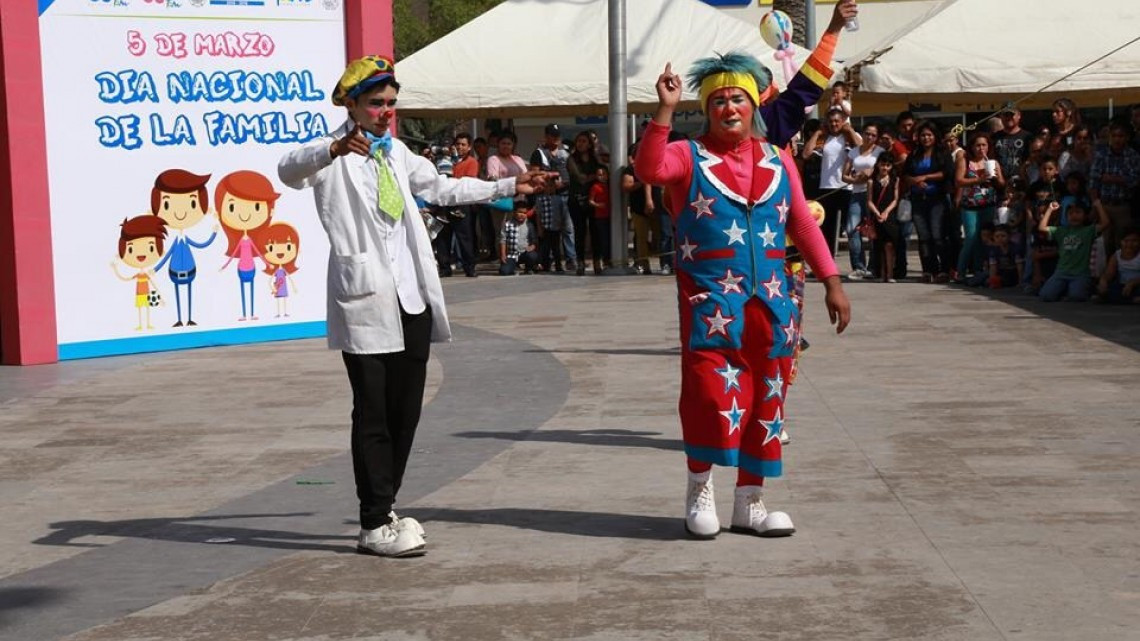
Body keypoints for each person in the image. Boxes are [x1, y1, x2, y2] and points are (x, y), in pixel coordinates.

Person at [277, 55, 544, 558]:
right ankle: (374, 520)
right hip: (365, 297)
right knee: (372, 411)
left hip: (411, 298)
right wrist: (333, 149)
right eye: (376, 103)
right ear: (352, 105)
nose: (385, 112)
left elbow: (443, 187)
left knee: (405, 412)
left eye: (391, 104)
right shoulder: (329, 156)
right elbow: (288, 170)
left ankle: (386, 508)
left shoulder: (396, 152)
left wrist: (509, 186)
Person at [635, 49, 852, 539]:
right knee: (709, 395)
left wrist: (832, 282)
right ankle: (700, 489)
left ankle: (750, 502)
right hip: (711, 305)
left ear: (754, 106)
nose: (729, 108)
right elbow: (649, 169)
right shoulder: (688, 155)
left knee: (767, 399)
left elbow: (802, 222)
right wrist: (665, 109)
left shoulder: (777, 159)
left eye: (738, 99)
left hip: (772, 307)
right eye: (718, 101)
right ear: (707, 109)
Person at [150, 169, 217, 328]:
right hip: (174, 272)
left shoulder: (186, 240)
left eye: (193, 203)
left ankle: (190, 318)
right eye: (167, 204)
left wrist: (214, 232)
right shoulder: (176, 242)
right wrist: (156, 269)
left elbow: (202, 244)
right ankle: (180, 319)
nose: (180, 212)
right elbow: (167, 256)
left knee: (189, 292)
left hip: (190, 270)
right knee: (177, 294)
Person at [802, 107, 861, 257]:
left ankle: (858, 265)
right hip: (826, 187)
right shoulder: (824, 138)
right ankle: (828, 262)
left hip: (846, 187)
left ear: (843, 122)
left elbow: (861, 150)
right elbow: (806, 154)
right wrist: (817, 133)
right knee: (827, 229)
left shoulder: (848, 136)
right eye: (831, 121)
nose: (834, 124)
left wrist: (850, 130)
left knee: (852, 228)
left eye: (837, 121)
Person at [902, 121, 953, 282]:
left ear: (935, 136)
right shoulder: (914, 154)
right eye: (923, 135)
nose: (926, 138)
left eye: (929, 135)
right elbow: (905, 175)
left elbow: (946, 172)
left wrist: (925, 177)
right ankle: (928, 270)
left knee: (938, 235)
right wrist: (915, 181)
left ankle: (944, 270)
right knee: (923, 237)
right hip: (918, 199)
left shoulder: (942, 152)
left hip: (937, 199)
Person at [955, 132, 1005, 283]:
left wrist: (996, 176)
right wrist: (979, 179)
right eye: (977, 145)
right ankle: (960, 271)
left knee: (984, 238)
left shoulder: (992, 162)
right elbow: (959, 181)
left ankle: (978, 269)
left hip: (988, 204)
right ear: (972, 147)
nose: (981, 148)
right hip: (970, 205)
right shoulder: (965, 160)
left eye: (984, 145)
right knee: (971, 238)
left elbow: (1002, 184)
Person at [1036, 199, 1109, 302]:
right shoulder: (1061, 231)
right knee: (1045, 296)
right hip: (1061, 272)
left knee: (1077, 297)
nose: (1074, 216)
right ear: (1066, 217)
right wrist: (1050, 209)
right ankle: (1063, 290)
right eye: (1070, 213)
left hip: (1080, 274)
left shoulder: (1088, 231)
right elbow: (1042, 227)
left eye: (1078, 212)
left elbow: (1106, 223)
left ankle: (1074, 289)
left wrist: (1098, 206)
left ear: (1085, 216)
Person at [1088, 122, 1140, 255]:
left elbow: (1134, 181)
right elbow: (1094, 181)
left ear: (1127, 137)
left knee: (1123, 243)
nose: (1117, 139)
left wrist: (1110, 178)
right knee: (1104, 243)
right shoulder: (1101, 155)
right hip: (1103, 205)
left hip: (1123, 206)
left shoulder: (1133, 156)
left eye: (1120, 136)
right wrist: (1095, 205)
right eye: (1114, 136)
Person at [529, 123, 574, 273]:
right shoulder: (538, 153)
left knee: (568, 229)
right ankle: (547, 261)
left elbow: (571, 172)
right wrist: (548, 180)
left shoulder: (566, 152)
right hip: (546, 196)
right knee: (547, 230)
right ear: (546, 136)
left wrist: (564, 183)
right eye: (552, 135)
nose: (555, 138)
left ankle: (570, 260)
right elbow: (534, 174)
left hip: (565, 194)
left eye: (557, 136)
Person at [109, 215, 167, 331]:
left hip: (146, 294)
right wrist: (115, 269)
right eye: (130, 249)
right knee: (141, 308)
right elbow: (125, 278)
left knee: (147, 308)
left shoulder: (146, 275)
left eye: (151, 248)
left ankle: (148, 323)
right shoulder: (138, 275)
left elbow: (153, 285)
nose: (141, 254)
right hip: (139, 294)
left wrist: (160, 298)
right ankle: (141, 324)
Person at [840, 121, 882, 279]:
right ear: (862, 134)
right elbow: (844, 176)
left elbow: (883, 170)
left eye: (873, 135)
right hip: (856, 193)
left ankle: (873, 267)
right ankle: (859, 266)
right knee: (851, 229)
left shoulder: (880, 152)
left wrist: (870, 174)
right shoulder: (853, 152)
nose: (870, 137)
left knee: (872, 230)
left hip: (873, 194)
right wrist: (855, 180)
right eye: (867, 133)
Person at [567, 131, 601, 275]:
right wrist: (594, 176)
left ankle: (597, 262)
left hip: (593, 200)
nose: (580, 144)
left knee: (596, 231)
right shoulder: (571, 159)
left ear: (589, 144)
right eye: (578, 141)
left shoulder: (595, 159)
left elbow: (603, 172)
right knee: (579, 232)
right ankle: (580, 262)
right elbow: (580, 178)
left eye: (584, 141)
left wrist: (595, 176)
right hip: (576, 200)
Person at [449, 132, 481, 277]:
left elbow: (468, 181)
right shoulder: (447, 160)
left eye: (463, 144)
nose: (460, 147)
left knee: (465, 236)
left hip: (462, 202)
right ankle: (445, 267)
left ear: (469, 147)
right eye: (458, 144)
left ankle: (469, 267)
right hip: (446, 200)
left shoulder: (472, 162)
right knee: (444, 235)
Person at [867, 153, 900, 282]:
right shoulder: (871, 181)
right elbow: (869, 201)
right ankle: (881, 274)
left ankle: (890, 274)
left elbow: (895, 199)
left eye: (888, 165)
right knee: (879, 245)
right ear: (877, 165)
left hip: (890, 215)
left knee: (890, 245)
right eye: (882, 164)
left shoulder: (895, 180)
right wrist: (877, 213)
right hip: (876, 214)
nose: (885, 168)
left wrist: (886, 212)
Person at [1095, 227, 1140, 303]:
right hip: (1122, 285)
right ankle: (1131, 300)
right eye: (1126, 241)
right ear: (1121, 242)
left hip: (1137, 284)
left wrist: (1132, 283)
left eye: (1134, 241)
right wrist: (1103, 280)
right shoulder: (1117, 255)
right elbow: (1109, 273)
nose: (1129, 244)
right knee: (1109, 290)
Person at [499, 202, 540, 275]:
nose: (522, 215)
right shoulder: (507, 224)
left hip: (524, 253)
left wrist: (532, 246)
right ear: (514, 212)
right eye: (520, 212)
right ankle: (513, 267)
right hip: (512, 255)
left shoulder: (529, 225)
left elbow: (534, 240)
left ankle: (529, 268)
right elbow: (503, 240)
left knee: (532, 256)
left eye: (524, 213)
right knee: (504, 271)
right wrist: (503, 255)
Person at [992, 106, 1033, 179]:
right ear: (1001, 116)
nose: (1008, 118)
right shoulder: (994, 137)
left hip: (1021, 180)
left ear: (1019, 115)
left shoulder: (1028, 137)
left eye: (1011, 115)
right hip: (998, 180)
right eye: (1006, 115)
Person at [587, 165, 612, 274]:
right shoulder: (595, 187)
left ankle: (609, 260)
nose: (602, 177)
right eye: (599, 175)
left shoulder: (611, 186)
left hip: (610, 216)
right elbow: (590, 201)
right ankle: (605, 261)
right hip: (600, 217)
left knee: (610, 239)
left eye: (604, 174)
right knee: (603, 240)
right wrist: (598, 205)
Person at [985, 224, 1023, 289]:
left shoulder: (1015, 248)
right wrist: (992, 280)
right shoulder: (993, 250)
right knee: (984, 276)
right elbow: (993, 267)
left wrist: (1021, 282)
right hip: (1000, 271)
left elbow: (1020, 267)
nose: (1000, 239)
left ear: (1009, 236)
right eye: (997, 236)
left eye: (1003, 236)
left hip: (1012, 273)